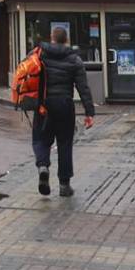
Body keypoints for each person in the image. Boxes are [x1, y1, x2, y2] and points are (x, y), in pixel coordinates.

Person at [33, 27, 95, 198]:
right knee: (65, 144)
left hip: (43, 105)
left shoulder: (40, 54)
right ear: (66, 39)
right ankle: (64, 185)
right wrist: (89, 112)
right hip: (65, 105)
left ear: (52, 38)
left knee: (41, 139)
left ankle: (43, 166)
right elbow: (83, 87)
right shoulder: (74, 59)